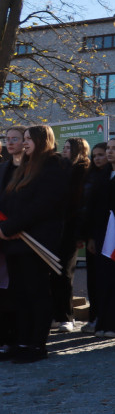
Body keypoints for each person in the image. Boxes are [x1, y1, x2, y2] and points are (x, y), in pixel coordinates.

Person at [0, 126, 69, 363]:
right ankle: (22, 341)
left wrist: (10, 227)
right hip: (15, 241)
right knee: (19, 294)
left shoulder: (54, 165)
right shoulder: (24, 167)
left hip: (37, 241)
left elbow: (43, 205)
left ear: (42, 140)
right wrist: (5, 227)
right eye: (25, 139)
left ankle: (37, 344)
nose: (25, 143)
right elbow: (10, 201)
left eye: (29, 139)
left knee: (36, 292)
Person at [86, 137, 115, 338]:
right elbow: (92, 208)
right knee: (103, 279)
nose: (109, 152)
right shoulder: (101, 175)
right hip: (101, 233)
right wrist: (90, 236)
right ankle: (103, 323)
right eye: (108, 148)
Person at [50, 137, 90, 333]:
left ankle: (67, 316)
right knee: (53, 272)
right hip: (56, 227)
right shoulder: (61, 169)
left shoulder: (83, 171)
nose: (65, 151)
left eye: (69, 148)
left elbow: (81, 204)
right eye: (64, 147)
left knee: (66, 273)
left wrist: (79, 233)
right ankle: (56, 315)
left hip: (71, 228)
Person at [0, 125, 28, 353]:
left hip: (23, 238)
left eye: (15, 139)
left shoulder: (32, 169)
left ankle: (17, 338)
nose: (10, 143)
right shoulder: (3, 169)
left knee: (17, 290)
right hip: (2, 237)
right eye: (7, 139)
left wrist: (13, 226)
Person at [79, 142, 109, 333]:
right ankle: (95, 317)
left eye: (101, 154)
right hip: (93, 234)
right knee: (94, 280)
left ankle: (104, 318)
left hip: (108, 233)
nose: (97, 158)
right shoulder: (89, 176)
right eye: (94, 155)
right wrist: (87, 236)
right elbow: (86, 209)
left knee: (105, 280)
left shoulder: (110, 176)